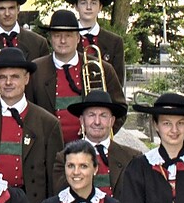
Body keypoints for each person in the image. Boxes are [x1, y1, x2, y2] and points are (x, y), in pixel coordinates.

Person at [0, 47, 65, 202]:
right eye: (2, 77)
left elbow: (55, 175)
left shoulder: (48, 123)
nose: (8, 82)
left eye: (15, 77)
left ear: (26, 78)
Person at [28, 10, 122, 143]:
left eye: (68, 35)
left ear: (78, 38)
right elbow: (27, 112)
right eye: (57, 35)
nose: (62, 40)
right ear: (50, 39)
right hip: (47, 148)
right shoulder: (35, 70)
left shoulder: (101, 68)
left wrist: (98, 135)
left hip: (90, 148)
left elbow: (120, 108)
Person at [62, 91, 139, 191]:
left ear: (112, 121)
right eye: (91, 115)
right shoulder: (63, 158)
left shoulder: (132, 157)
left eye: (103, 116)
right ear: (82, 120)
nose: (97, 122)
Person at [63, 0, 127, 79]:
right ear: (76, 6)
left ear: (100, 7)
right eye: (83, 3)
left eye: (93, 3)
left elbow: (118, 81)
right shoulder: (65, 39)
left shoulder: (115, 42)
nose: (88, 7)